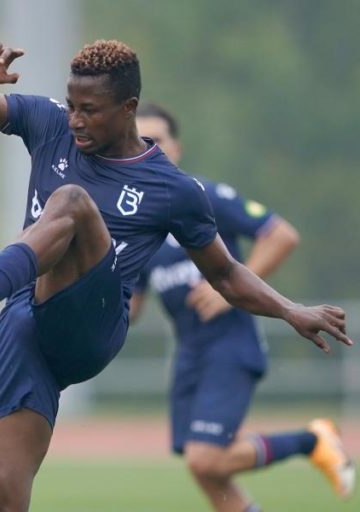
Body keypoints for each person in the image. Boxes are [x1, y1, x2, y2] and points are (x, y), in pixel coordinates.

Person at [0, 39, 353, 512]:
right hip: (25, 326)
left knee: (72, 202)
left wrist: (290, 310)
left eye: (89, 110)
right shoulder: (48, 122)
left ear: (128, 108)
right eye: (71, 106)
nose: (75, 120)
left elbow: (226, 274)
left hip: (93, 323)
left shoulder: (174, 189)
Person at [131, 102, 354, 511]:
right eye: (139, 140)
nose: (149, 148)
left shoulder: (203, 196)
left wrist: (225, 291)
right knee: (206, 470)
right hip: (189, 356)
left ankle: (312, 440)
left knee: (206, 458)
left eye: (157, 140)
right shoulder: (137, 219)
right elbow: (132, 307)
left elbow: (281, 235)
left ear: (177, 149)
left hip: (230, 348)